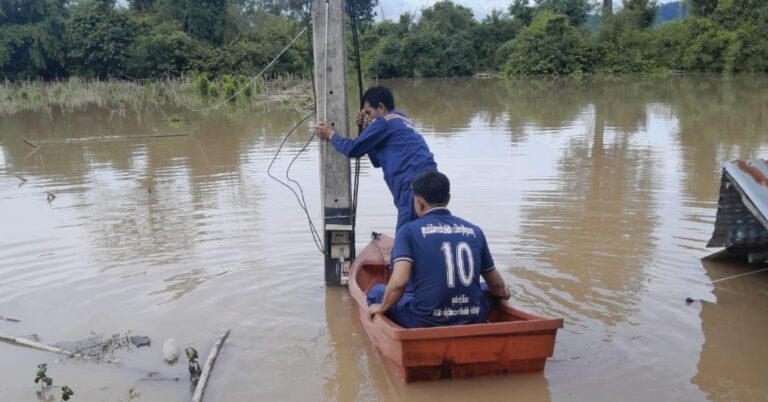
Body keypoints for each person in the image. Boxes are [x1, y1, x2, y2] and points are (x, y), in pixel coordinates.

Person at [366, 171, 510, 328]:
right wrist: (502, 292)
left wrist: (382, 307)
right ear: (448, 199)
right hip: (472, 316)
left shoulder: (408, 232)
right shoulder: (475, 231)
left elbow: (400, 282)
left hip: (424, 321)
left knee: (377, 291)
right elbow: (496, 285)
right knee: (487, 288)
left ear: (419, 203)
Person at [314, 86, 437, 231]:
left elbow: (352, 149)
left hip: (412, 189)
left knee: (406, 239)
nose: (368, 117)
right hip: (433, 186)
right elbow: (377, 162)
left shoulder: (384, 122)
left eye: (369, 113)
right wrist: (366, 129)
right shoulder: (401, 120)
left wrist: (331, 134)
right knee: (427, 233)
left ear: (381, 107)